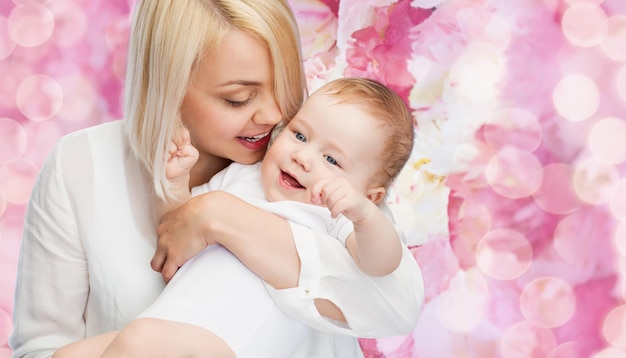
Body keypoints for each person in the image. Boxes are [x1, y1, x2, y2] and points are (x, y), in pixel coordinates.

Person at [10, 0, 424, 357]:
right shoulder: (80, 165)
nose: (275, 116)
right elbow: (175, 229)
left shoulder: (333, 169)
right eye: (238, 99)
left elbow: (395, 303)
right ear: (167, 87)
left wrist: (220, 216)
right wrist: (182, 194)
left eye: (285, 86)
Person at [54, 77, 416, 357]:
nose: (303, 157)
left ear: (371, 195)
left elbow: (380, 264)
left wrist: (365, 216)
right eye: (300, 135)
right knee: (71, 354)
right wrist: (175, 183)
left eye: (332, 160)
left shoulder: (336, 217)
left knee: (139, 340)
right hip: (175, 318)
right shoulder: (242, 178)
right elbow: (178, 230)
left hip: (227, 339)